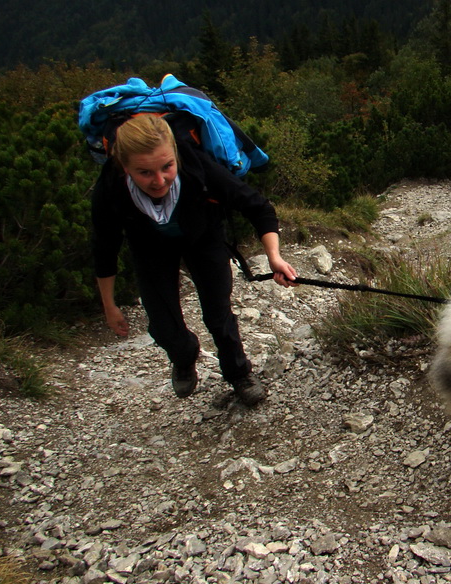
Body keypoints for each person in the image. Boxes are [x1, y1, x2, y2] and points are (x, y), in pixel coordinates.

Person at [91, 113, 297, 405]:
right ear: (124, 167)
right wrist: (109, 305)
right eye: (145, 172)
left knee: (218, 314)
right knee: (162, 326)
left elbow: (258, 207)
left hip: (204, 238)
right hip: (150, 248)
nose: (159, 180)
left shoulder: (197, 166)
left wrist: (273, 257)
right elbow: (104, 246)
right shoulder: (111, 187)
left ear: (176, 154)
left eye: (167, 167)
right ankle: (184, 355)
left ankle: (239, 374)